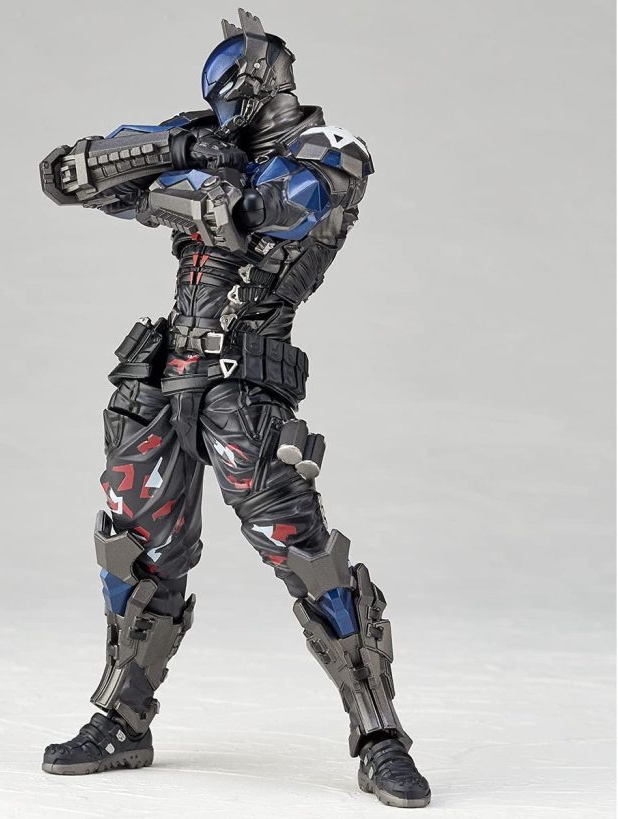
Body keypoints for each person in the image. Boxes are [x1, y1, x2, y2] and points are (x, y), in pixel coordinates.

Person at [38, 9, 431, 809]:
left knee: (303, 550)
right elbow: (64, 176)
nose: (221, 111)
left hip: (244, 383)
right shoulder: (205, 142)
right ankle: (120, 718)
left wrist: (166, 179)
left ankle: (380, 734)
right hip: (159, 378)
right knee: (133, 549)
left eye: (230, 96)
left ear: (262, 84)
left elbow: (255, 214)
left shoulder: (332, 150)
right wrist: (180, 151)